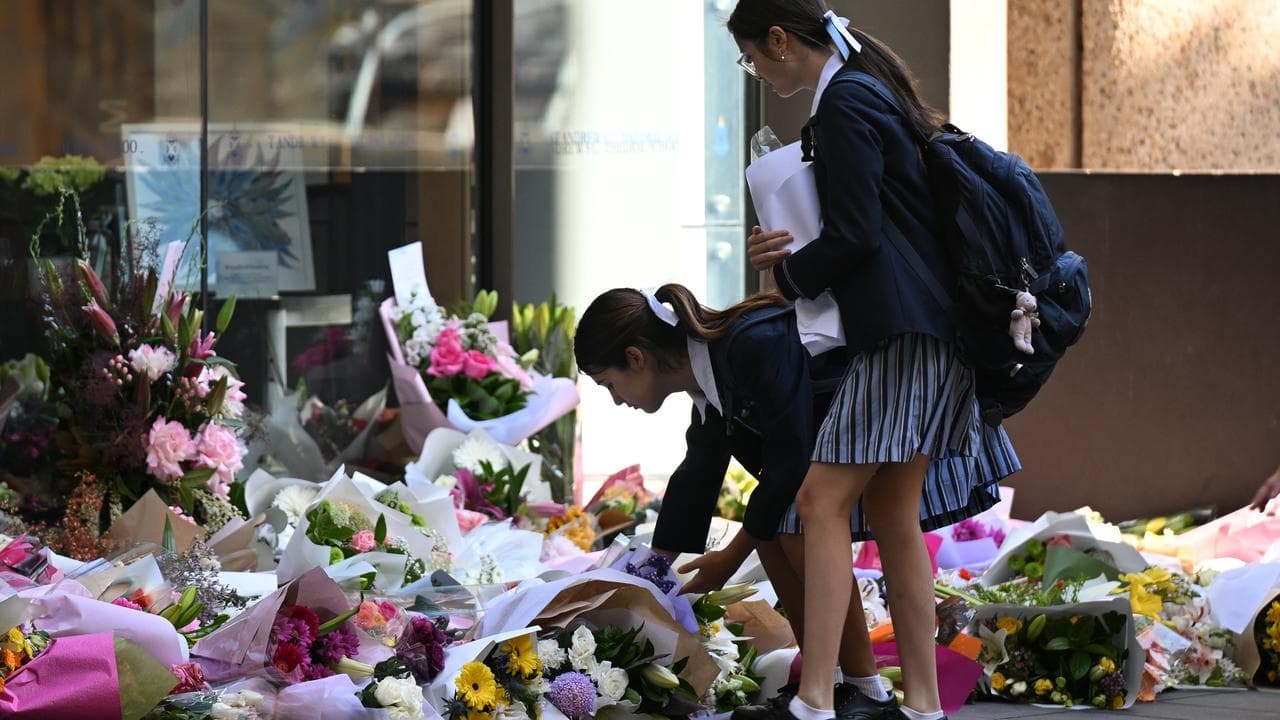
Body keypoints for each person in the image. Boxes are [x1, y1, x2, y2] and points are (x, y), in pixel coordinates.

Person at [575, 284, 1019, 719]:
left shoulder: (749, 344)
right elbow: (697, 474)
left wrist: (729, 557)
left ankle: (859, 690)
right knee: (776, 529)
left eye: (609, 384)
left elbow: (788, 462)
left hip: (887, 410)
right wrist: (650, 569)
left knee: (792, 525)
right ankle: (848, 689)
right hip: (849, 439)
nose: (616, 400)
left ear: (637, 357)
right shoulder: (709, 377)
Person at [728, 2, 986, 719]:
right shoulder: (869, 88)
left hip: (896, 333)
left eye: (753, 57)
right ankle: (924, 704)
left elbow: (854, 236)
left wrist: (785, 277)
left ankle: (814, 698)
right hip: (934, 331)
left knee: (818, 501)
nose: (757, 71)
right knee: (896, 515)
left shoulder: (844, 101)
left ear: (779, 39)